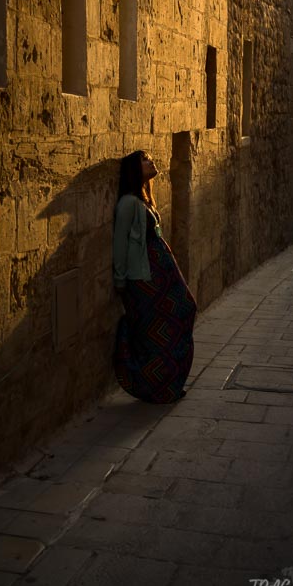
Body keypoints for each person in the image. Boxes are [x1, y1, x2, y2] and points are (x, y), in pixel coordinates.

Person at [112, 150, 197, 403]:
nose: (151, 161)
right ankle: (153, 383)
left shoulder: (143, 200)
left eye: (150, 158)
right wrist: (120, 280)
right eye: (145, 159)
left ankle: (168, 383)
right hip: (145, 279)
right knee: (158, 331)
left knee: (184, 311)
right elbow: (119, 244)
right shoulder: (127, 203)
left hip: (161, 275)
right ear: (133, 169)